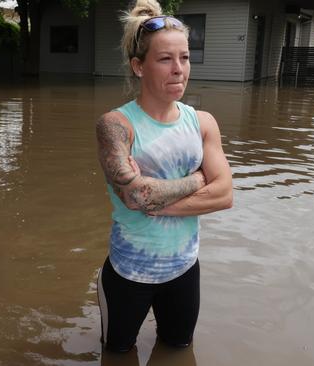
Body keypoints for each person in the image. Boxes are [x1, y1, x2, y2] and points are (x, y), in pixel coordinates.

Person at [95, 0, 233, 354]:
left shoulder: (203, 122)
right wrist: (199, 180)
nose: (179, 70)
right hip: (129, 274)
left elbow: (226, 195)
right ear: (139, 67)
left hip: (185, 270)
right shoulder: (116, 125)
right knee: (117, 354)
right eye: (165, 59)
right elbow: (136, 197)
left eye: (185, 58)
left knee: (179, 348)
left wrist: (162, 203)